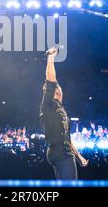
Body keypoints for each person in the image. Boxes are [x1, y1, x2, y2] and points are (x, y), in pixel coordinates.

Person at [39, 46, 87, 180]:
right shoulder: (48, 105)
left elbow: (68, 139)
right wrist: (51, 58)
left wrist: (78, 156)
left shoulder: (61, 109)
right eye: (55, 90)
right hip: (60, 153)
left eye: (60, 89)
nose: (58, 91)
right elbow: (51, 80)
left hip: (62, 151)